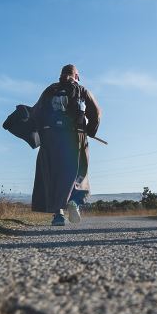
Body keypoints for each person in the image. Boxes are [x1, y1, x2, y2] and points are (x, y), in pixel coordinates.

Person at [30, 64, 101, 226]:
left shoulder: (50, 90)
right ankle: (74, 201)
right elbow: (96, 113)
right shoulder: (82, 90)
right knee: (77, 170)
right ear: (77, 76)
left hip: (51, 138)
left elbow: (36, 112)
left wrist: (42, 132)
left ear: (61, 75)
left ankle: (58, 214)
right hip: (76, 136)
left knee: (53, 174)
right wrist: (90, 130)